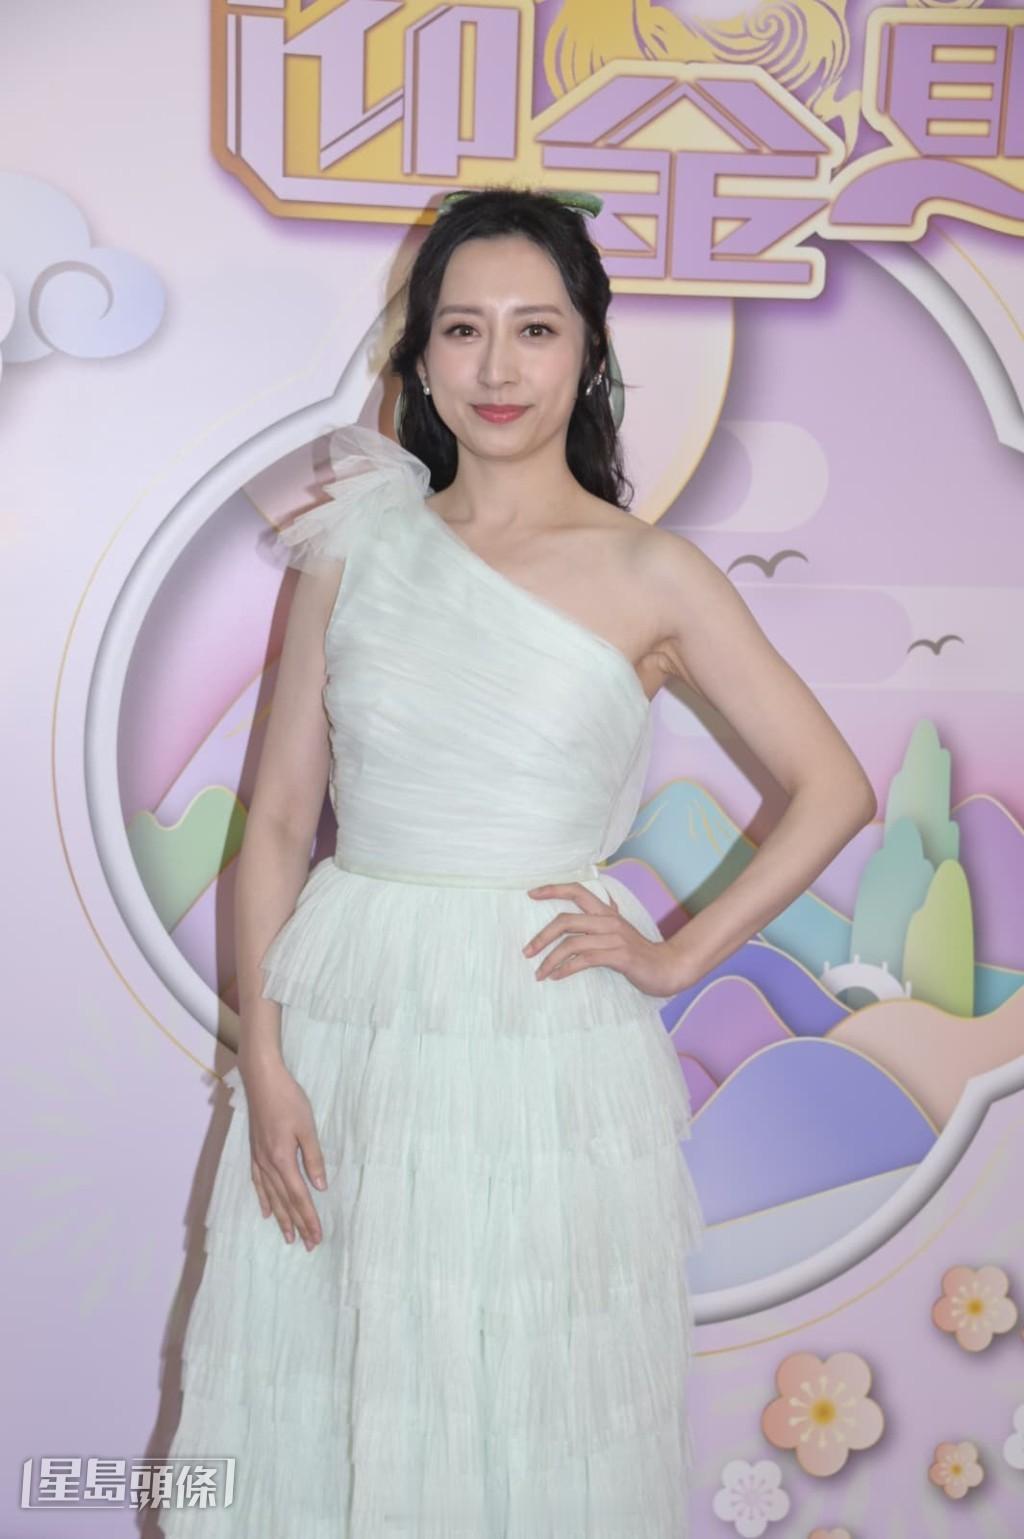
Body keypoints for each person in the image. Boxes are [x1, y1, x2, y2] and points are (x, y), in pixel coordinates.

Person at [160, 185, 876, 1536]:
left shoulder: (652, 572)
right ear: (421, 356)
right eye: (463, 329)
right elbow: (278, 823)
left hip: (545, 1031)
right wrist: (265, 1059)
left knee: (530, 1390)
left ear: (588, 352)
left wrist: (676, 956)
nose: (497, 367)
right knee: (332, 1369)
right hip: (352, 1018)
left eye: (536, 329)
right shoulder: (356, 546)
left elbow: (833, 789)